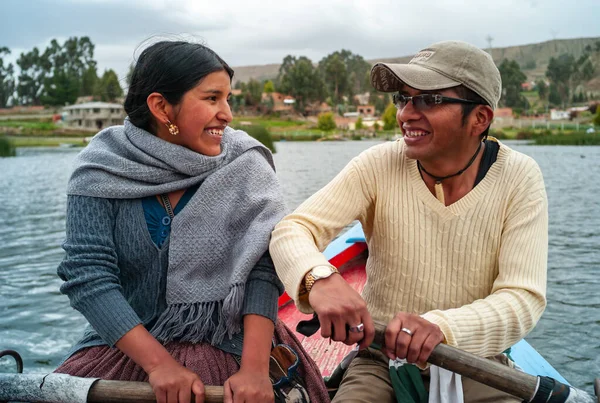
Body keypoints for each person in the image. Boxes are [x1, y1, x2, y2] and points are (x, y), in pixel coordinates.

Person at [270, 40, 548, 402]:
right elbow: (292, 230)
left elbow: (522, 298)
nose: (406, 114)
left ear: (479, 118)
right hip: (381, 358)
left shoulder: (519, 177)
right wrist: (318, 278)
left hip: (473, 361)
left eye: (429, 100)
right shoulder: (378, 164)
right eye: (403, 98)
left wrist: (442, 327)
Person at [55, 40, 329, 403]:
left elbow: (263, 270)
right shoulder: (99, 169)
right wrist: (159, 366)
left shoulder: (246, 163)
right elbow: (88, 276)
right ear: (161, 107)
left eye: (228, 98)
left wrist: (254, 370)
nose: (227, 113)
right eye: (212, 98)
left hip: (235, 344)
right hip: (125, 345)